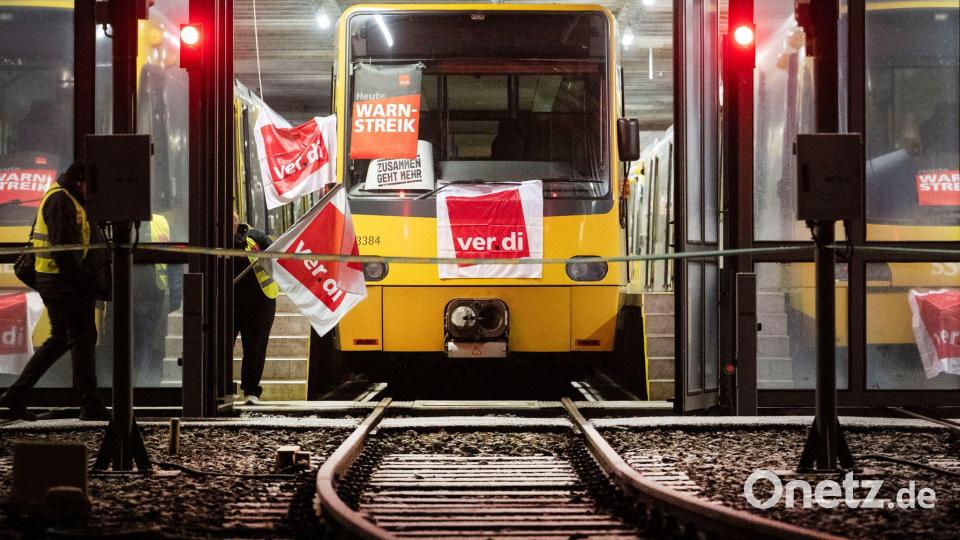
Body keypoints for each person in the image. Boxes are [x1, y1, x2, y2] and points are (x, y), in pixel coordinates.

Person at [0, 161, 111, 421]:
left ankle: (16, 395)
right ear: (80, 182)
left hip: (59, 281)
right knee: (82, 339)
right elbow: (65, 252)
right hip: (63, 283)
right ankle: (90, 403)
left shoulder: (66, 198)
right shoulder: (62, 201)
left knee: (62, 338)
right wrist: (85, 281)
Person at [233, 213, 277, 405]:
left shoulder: (256, 238)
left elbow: (276, 258)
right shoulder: (216, 241)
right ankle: (222, 388)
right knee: (222, 348)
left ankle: (251, 391)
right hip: (229, 304)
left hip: (261, 302)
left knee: (255, 349)